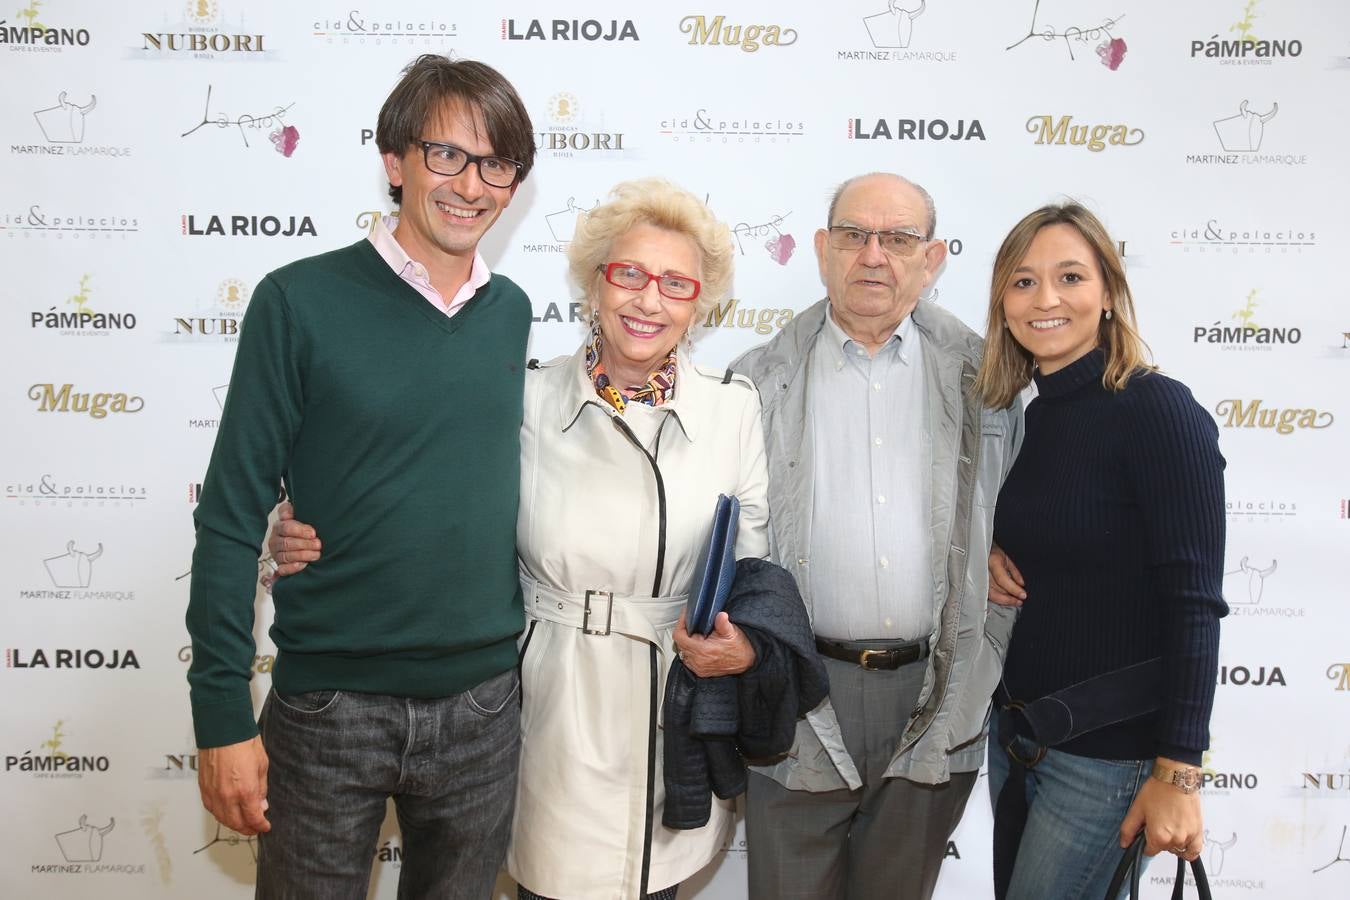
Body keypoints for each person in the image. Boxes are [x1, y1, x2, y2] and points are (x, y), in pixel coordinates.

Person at [269, 178, 773, 899]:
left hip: (673, 708)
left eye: (675, 283)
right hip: (543, 702)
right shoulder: (523, 396)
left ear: (699, 305)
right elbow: (418, 494)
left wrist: (746, 643)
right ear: (592, 286)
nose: (647, 299)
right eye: (627, 274)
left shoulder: (734, 408)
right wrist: (293, 530)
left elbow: (751, 567)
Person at [185, 55, 536, 898]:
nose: (471, 184)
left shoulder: (511, 311)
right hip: (329, 707)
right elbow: (233, 514)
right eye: (446, 154)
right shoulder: (297, 301)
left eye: (496, 164)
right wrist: (220, 716)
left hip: (486, 708)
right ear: (395, 161)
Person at [731, 172, 1023, 900]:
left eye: (898, 239)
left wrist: (1002, 553)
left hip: (937, 694)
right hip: (799, 691)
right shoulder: (753, 382)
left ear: (932, 260)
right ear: (824, 250)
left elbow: (1030, 504)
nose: (874, 255)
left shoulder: (988, 379)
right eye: (856, 236)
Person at [978, 202, 1227, 899]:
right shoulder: (1035, 415)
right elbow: (1073, 541)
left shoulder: (1157, 410)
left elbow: (1195, 603)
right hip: (1023, 741)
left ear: (1109, 294)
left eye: (1069, 277)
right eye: (1023, 282)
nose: (1046, 299)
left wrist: (1178, 772)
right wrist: (985, 550)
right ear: (1002, 301)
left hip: (1110, 759)